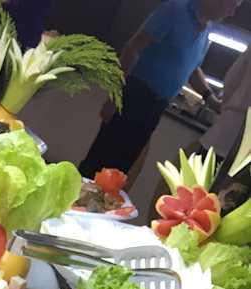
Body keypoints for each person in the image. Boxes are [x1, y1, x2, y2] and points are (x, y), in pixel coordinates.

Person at [79, 0, 243, 178]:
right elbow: (132, 48)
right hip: (134, 95)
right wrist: (114, 96)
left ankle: (101, 196)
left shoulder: (207, 29)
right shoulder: (175, 9)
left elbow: (192, 68)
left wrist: (211, 99)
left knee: (120, 168)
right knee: (99, 160)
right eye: (231, 5)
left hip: (156, 107)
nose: (232, 13)